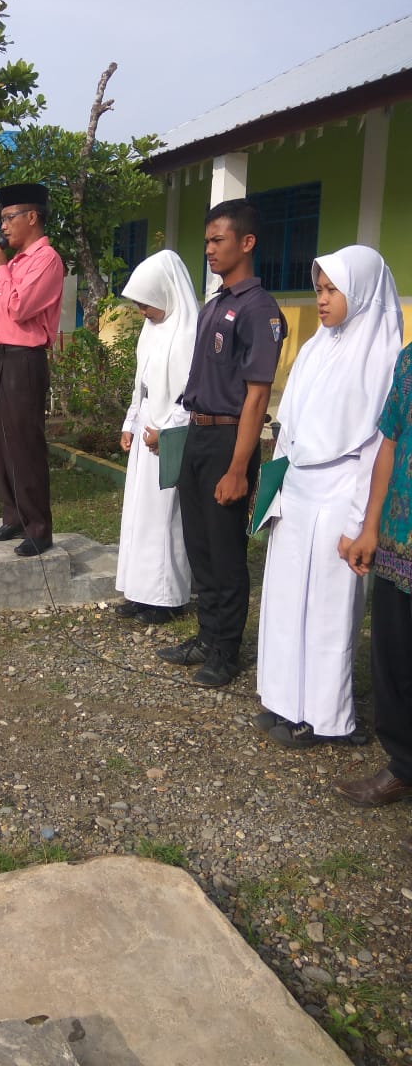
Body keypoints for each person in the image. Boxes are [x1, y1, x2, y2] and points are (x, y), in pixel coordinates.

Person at [256, 247, 402, 748]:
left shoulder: (382, 358)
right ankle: (281, 697)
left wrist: (362, 523)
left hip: (343, 491)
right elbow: (290, 423)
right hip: (298, 488)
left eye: (331, 290)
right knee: (284, 598)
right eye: (318, 289)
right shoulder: (318, 346)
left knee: (328, 609)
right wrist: (275, 490)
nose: (321, 300)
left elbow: (373, 448)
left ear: (359, 292)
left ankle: (324, 716)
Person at [157, 199, 286, 687]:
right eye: (206, 240)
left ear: (246, 243)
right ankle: (207, 636)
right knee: (199, 545)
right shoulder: (215, 304)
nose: (208, 249)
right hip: (198, 432)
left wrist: (238, 468)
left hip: (230, 437)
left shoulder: (258, 309)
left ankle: (227, 652)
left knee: (226, 549)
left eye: (218, 240)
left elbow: (256, 396)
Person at [336, 339, 412, 848]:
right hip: (398, 542)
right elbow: (389, 441)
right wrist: (370, 527)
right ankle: (403, 764)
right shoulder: (410, 361)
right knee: (394, 662)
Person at [115, 250, 198, 623]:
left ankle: (167, 596)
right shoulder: (151, 331)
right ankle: (140, 590)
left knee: (165, 516)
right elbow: (142, 385)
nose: (143, 312)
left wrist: (165, 433)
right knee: (139, 512)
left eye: (147, 304)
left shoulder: (188, 332)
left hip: (171, 430)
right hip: (148, 423)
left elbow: (190, 396)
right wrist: (130, 423)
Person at [0, 182, 64, 557]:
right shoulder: (15, 264)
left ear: (32, 217)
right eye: (2, 219)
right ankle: (13, 516)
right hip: (0, 357)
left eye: (9, 218)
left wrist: (0, 272)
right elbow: (3, 317)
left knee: (24, 444)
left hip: (23, 363)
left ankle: (38, 527)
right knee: (0, 443)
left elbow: (20, 308)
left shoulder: (47, 260)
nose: (4, 227)